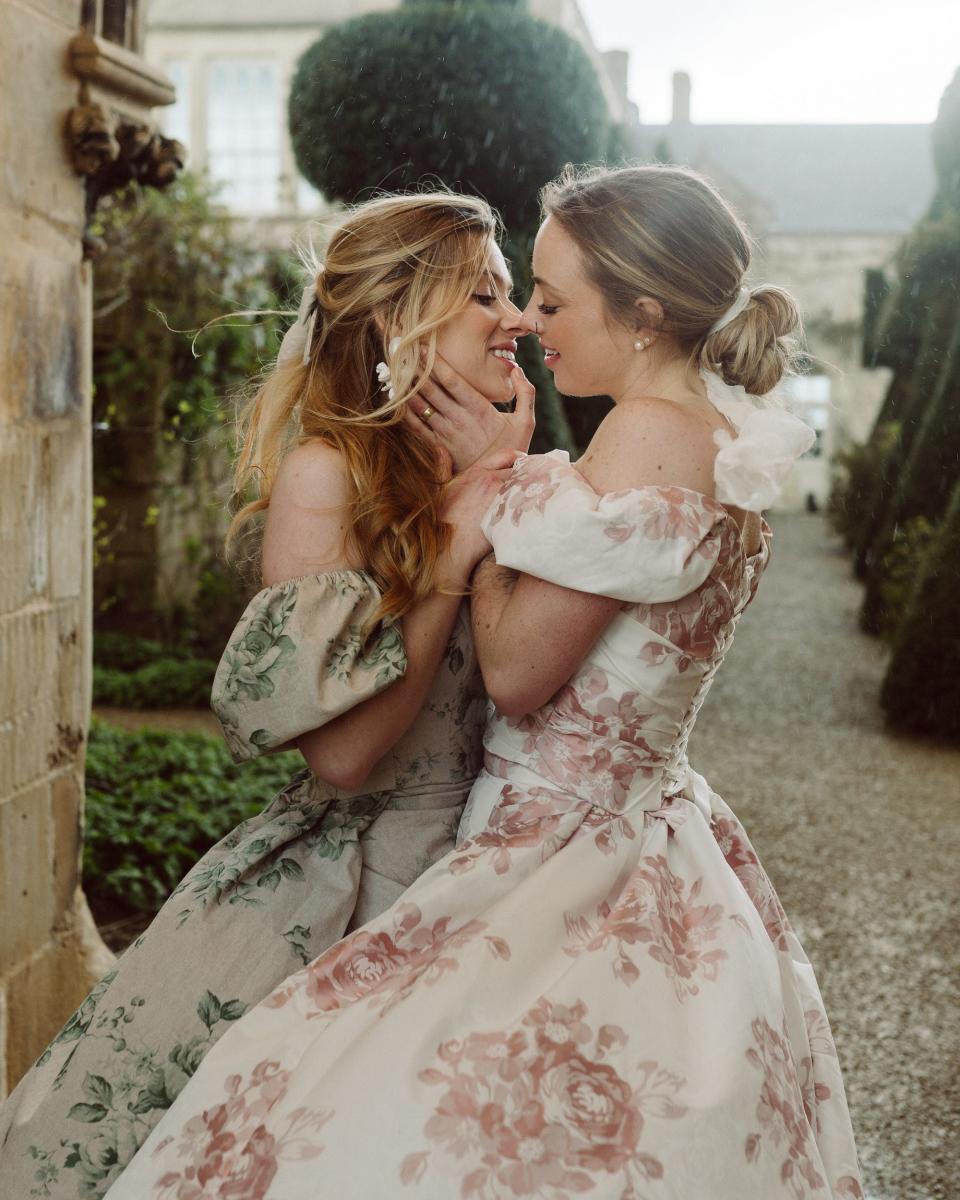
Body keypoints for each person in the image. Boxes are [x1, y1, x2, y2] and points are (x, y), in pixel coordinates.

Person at [103, 166, 863, 1199]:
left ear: (641, 313)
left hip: (558, 839)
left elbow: (513, 674)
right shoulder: (689, 438)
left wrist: (487, 506)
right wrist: (506, 484)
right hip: (604, 824)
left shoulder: (640, 434)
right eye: (508, 293)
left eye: (547, 297)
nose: (528, 320)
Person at [0, 191, 535, 1198]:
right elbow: (339, 758)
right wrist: (461, 545)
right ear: (398, 315)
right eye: (484, 294)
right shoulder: (328, 477)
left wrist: (508, 481)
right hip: (354, 882)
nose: (517, 320)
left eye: (512, 294)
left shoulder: (501, 472)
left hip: (492, 866)